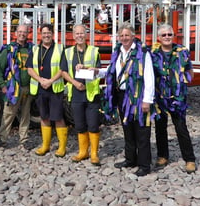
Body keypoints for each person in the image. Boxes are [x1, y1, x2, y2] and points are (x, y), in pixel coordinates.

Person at [101, 22, 155, 176]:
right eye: (122, 35)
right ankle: (130, 158)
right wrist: (97, 71)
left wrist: (147, 100)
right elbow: (112, 71)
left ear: (133, 36)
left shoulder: (142, 53)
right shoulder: (117, 52)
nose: (124, 38)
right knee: (127, 127)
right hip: (121, 95)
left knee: (142, 129)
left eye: (127, 35)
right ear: (118, 37)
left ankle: (145, 165)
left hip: (137, 95)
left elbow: (149, 77)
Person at [151, 24, 197, 173]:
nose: (167, 37)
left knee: (181, 128)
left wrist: (183, 82)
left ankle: (190, 159)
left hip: (177, 98)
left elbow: (190, 70)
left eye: (169, 34)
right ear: (159, 37)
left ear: (173, 36)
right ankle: (163, 156)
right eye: (163, 35)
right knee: (160, 128)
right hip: (160, 96)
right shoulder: (153, 53)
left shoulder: (182, 52)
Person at [60, 24, 102, 165]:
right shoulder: (68, 52)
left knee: (93, 124)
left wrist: (87, 68)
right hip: (76, 93)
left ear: (86, 35)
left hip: (91, 93)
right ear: (73, 36)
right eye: (77, 33)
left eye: (82, 33)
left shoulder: (94, 51)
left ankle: (94, 154)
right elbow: (64, 72)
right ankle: (83, 152)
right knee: (79, 124)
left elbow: (99, 70)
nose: (79, 36)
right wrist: (74, 83)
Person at [26, 23, 67, 157]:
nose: (46, 35)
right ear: (40, 35)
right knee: (44, 117)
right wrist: (41, 80)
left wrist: (50, 81)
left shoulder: (60, 49)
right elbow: (29, 69)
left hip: (55, 88)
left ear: (52, 34)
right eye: (44, 33)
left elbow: (63, 69)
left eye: (48, 33)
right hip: (40, 88)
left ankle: (61, 147)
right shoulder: (35, 49)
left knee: (58, 117)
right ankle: (46, 145)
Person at [0, 23, 33, 148]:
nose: (22, 34)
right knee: (8, 113)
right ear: (15, 33)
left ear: (28, 33)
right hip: (13, 87)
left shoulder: (31, 49)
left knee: (26, 114)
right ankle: (2, 138)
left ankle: (24, 139)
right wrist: (3, 85)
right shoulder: (9, 50)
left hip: (27, 87)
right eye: (20, 31)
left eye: (24, 32)